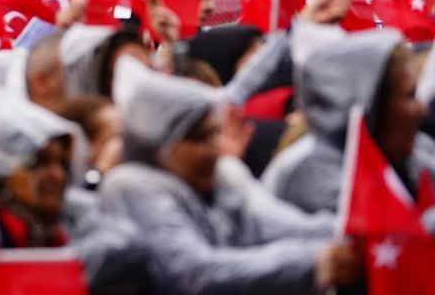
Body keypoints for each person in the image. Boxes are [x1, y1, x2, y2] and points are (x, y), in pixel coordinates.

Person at [98, 58, 361, 295]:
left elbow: (282, 226)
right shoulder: (130, 187)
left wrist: (358, 230)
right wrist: (310, 262)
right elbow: (194, 274)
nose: (213, 150)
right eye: (198, 138)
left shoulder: (224, 176)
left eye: (215, 134)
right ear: (157, 144)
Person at [0, 88, 150, 294]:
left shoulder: (68, 211)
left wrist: (54, 271)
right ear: (4, 167)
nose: (57, 175)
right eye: (40, 163)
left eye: (61, 163)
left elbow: (123, 246)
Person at [262, 29, 435, 214]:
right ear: (371, 103)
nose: (422, 109)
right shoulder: (311, 171)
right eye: (409, 96)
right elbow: (381, 231)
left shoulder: (414, 150)